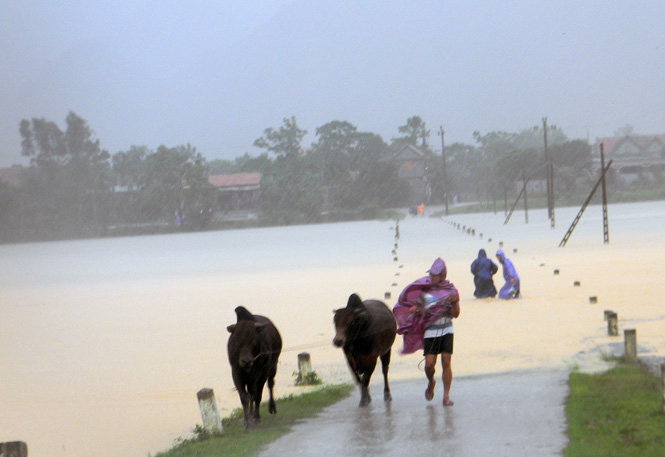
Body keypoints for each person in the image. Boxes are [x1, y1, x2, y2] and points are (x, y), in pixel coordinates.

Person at [393, 257, 460, 406]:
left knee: (446, 362)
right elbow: (419, 309)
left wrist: (454, 303)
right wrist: (415, 310)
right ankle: (431, 382)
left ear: (442, 275)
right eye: (430, 274)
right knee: (429, 364)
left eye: (434, 275)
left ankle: (446, 396)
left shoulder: (452, 291)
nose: (431, 277)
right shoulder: (424, 291)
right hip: (430, 330)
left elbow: (456, 314)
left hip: (447, 329)